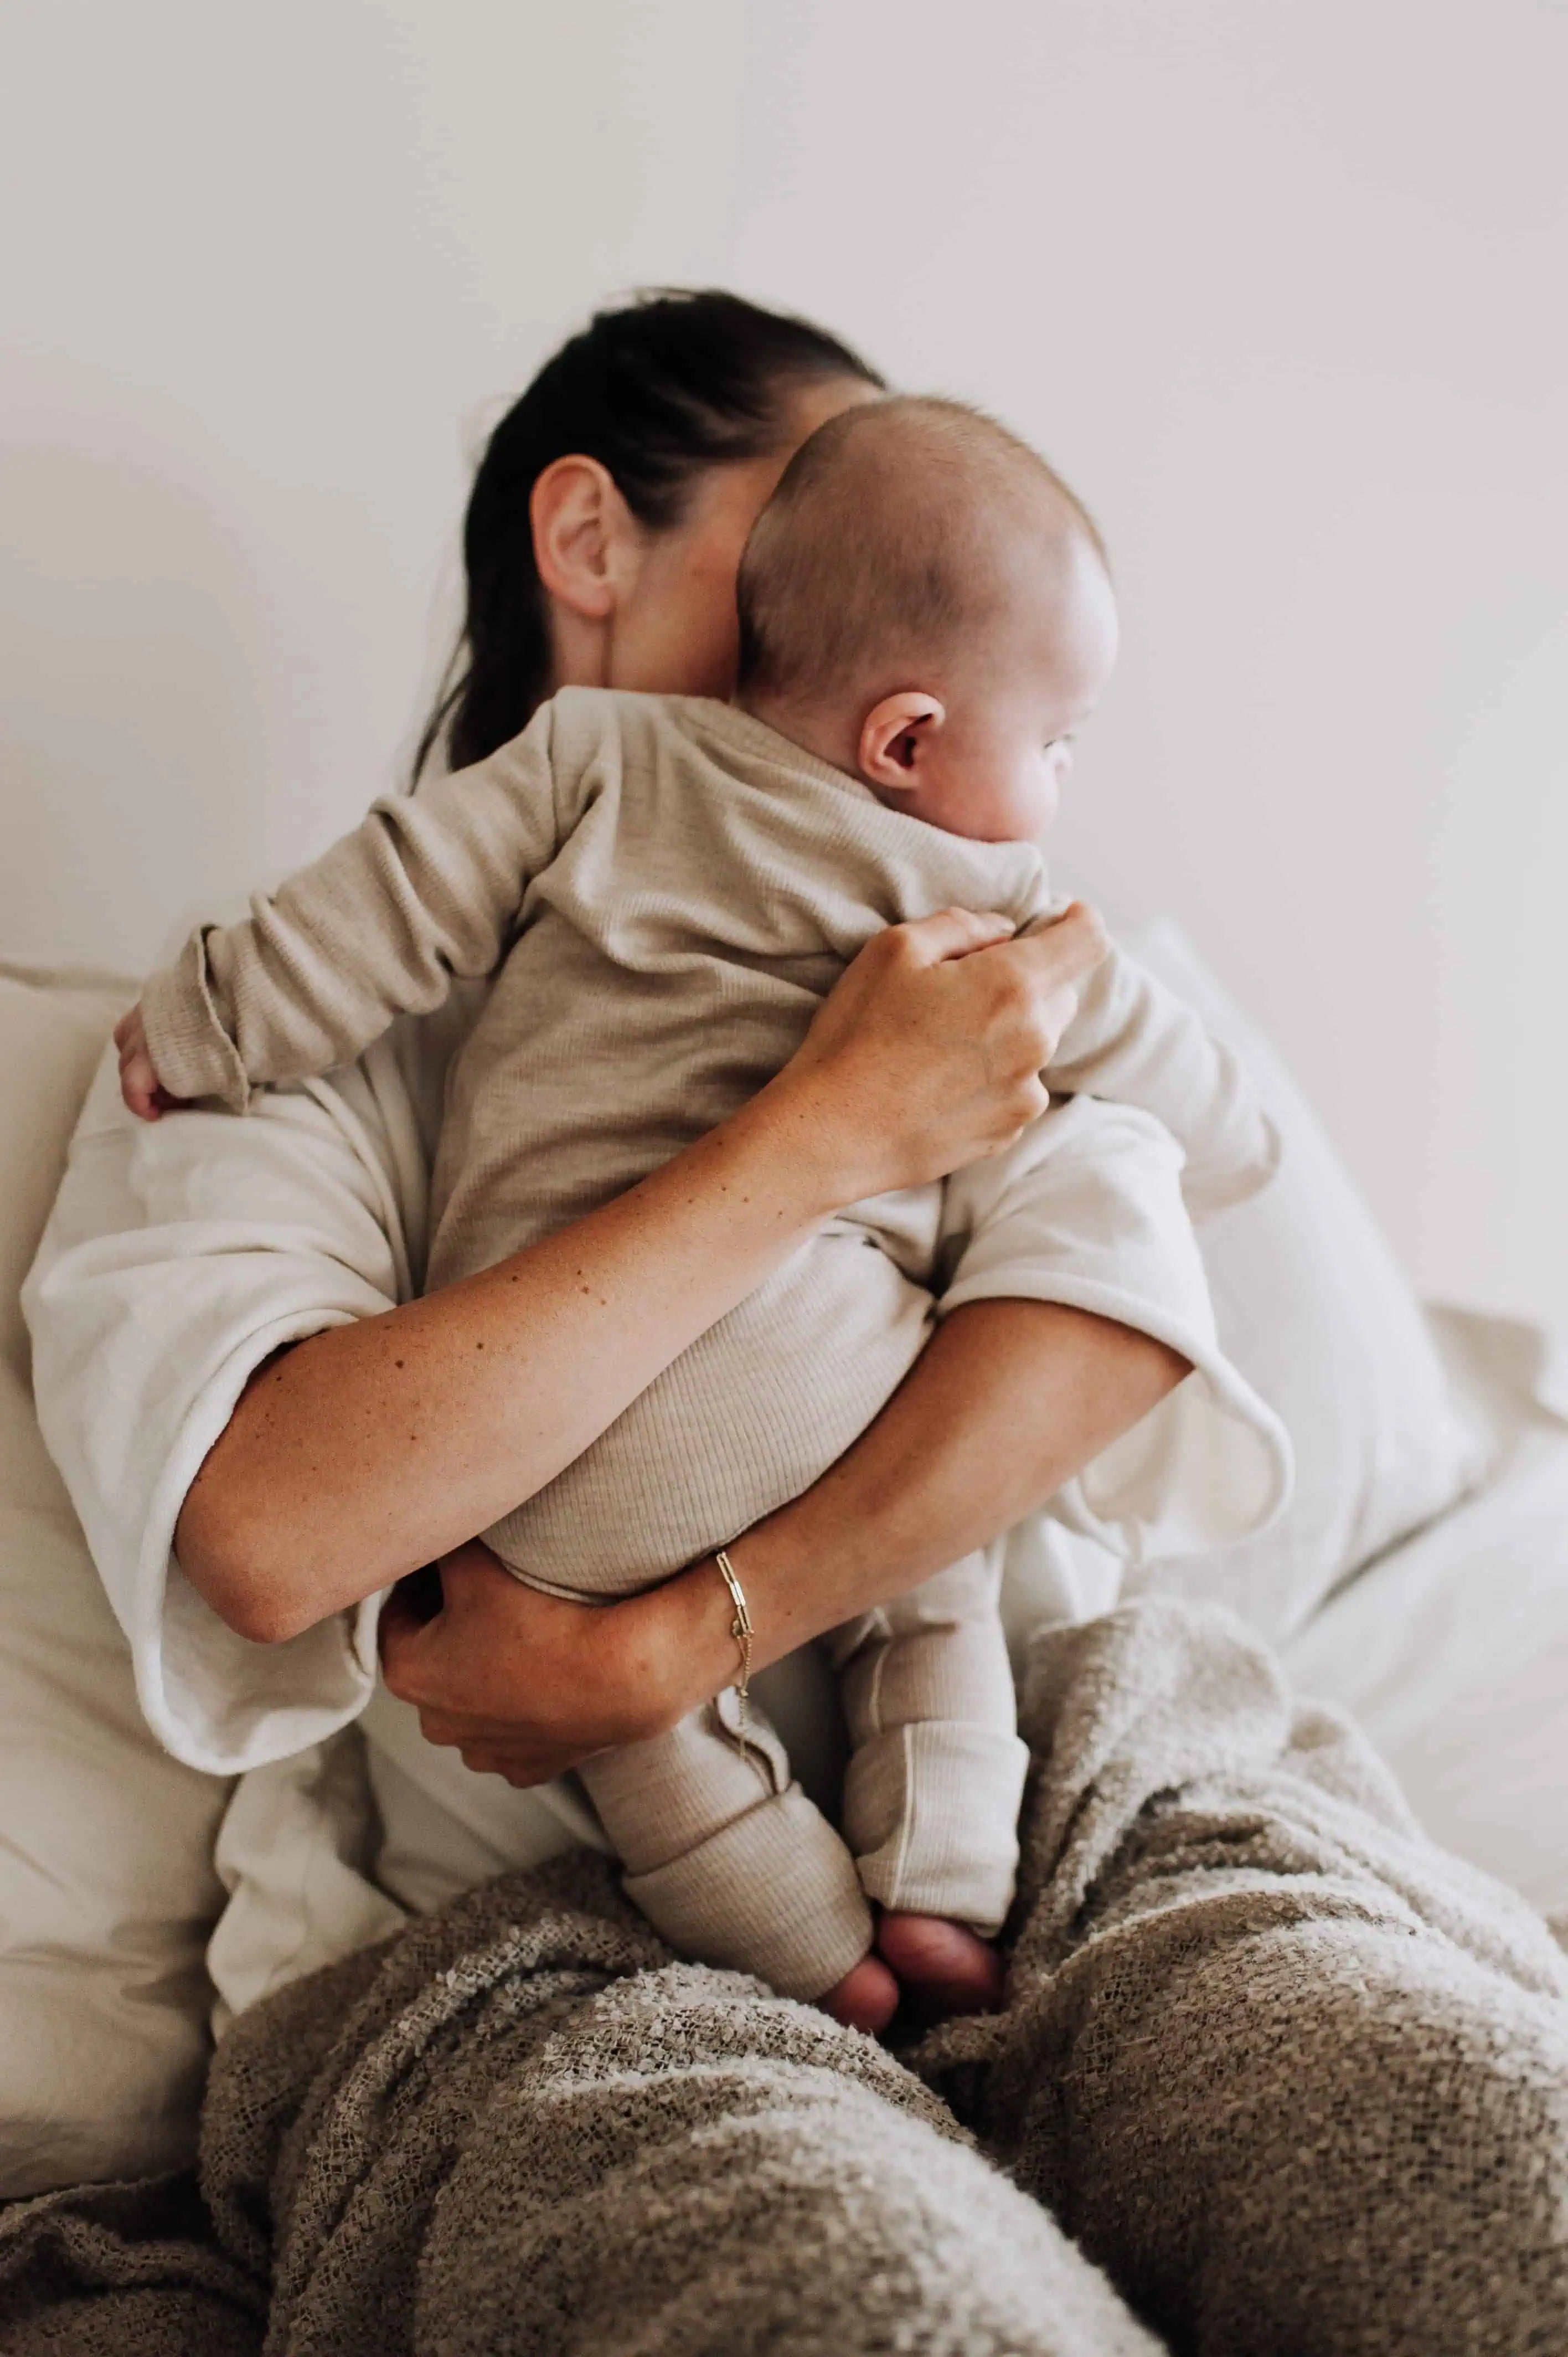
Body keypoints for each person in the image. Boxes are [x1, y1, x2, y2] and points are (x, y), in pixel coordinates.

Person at [27, 290, 1562, 2352]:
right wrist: (818, 1137)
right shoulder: (288, 1044)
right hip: (537, 1947)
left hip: (1078, 1787)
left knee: (1427, 2117)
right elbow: (280, 1524)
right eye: (810, 514)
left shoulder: (943, 935)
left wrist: (672, 1644)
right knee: (839, 2276)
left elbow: (1105, 1319)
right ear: (593, 543)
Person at [112, 393, 1284, 2030]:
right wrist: (837, 1136)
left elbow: (378, 904)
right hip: (793, 1442)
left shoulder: (590, 774)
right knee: (927, 1583)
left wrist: (203, 1020)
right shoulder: (986, 934)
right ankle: (945, 1872)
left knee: (656, 1744)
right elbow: (266, 1536)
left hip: (548, 1511)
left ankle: (815, 1962)